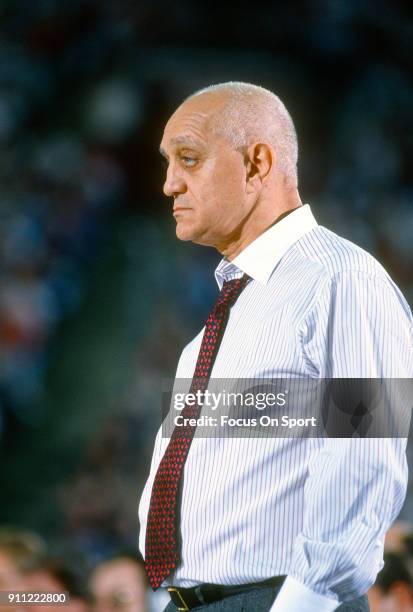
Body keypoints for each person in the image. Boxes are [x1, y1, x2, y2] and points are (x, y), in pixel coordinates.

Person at [138, 82, 413, 611]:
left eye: (189, 159)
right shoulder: (227, 315)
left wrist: (304, 602)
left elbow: (365, 456)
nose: (170, 183)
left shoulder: (342, 280)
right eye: (169, 162)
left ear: (257, 163)